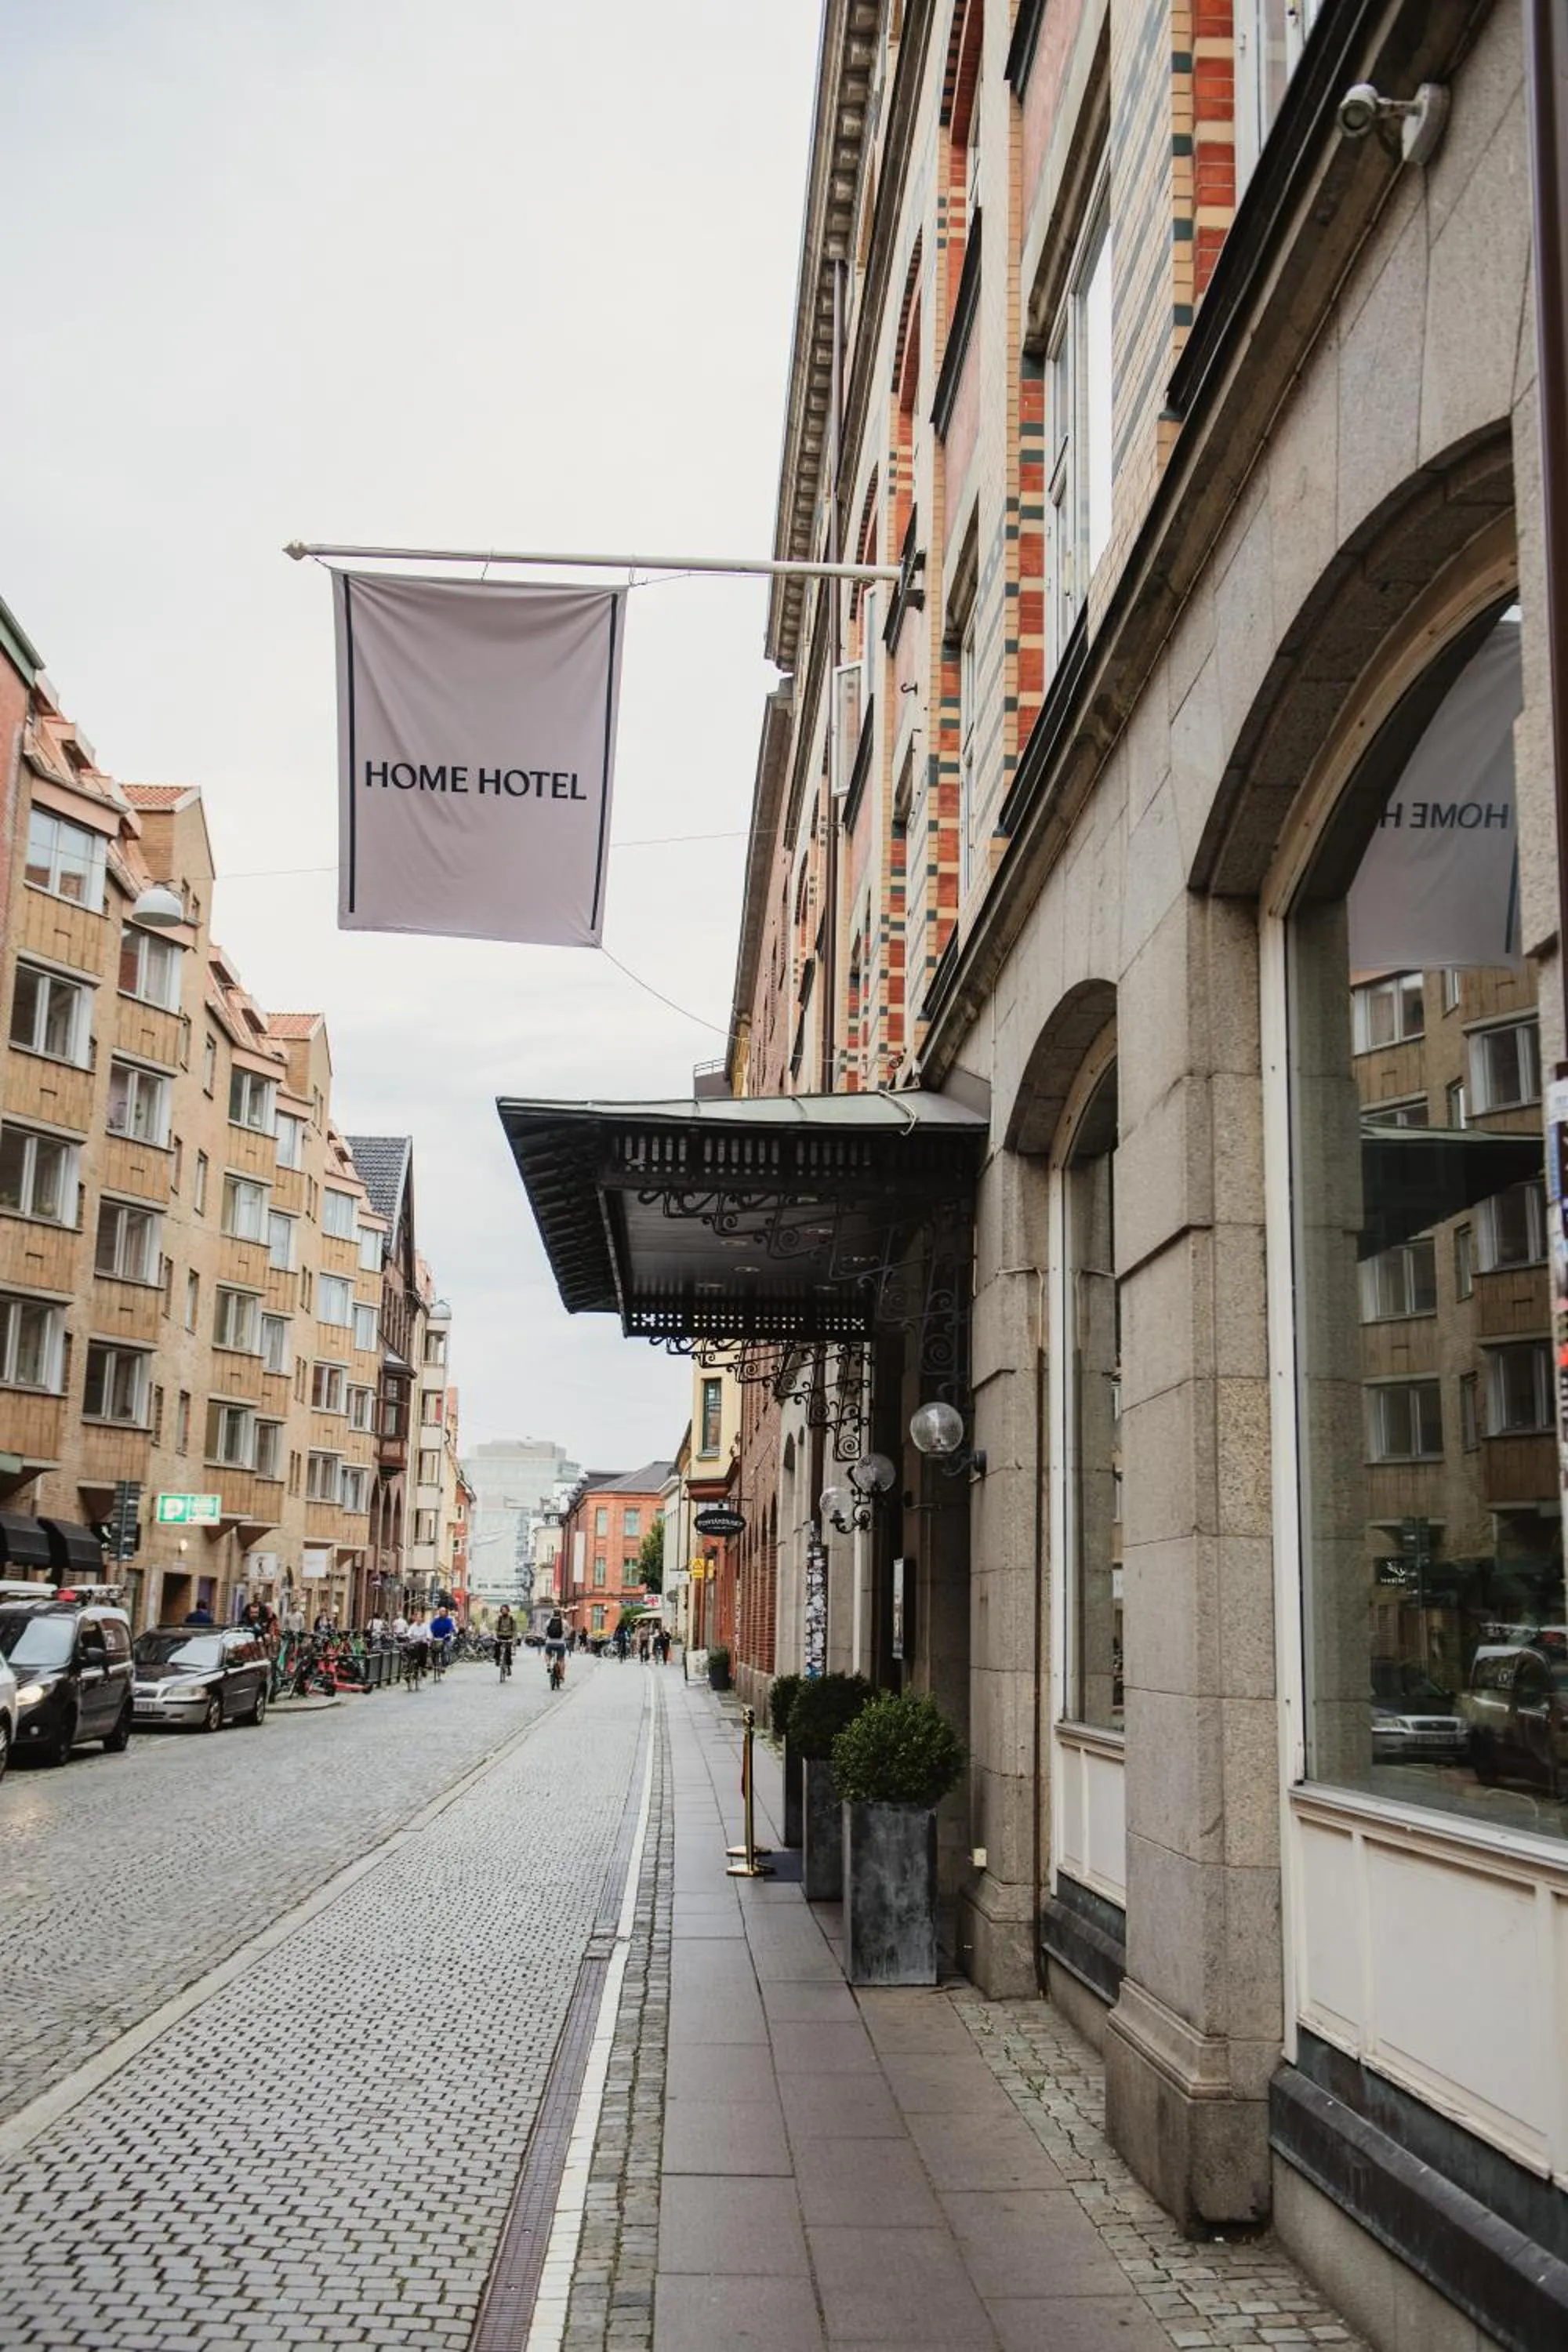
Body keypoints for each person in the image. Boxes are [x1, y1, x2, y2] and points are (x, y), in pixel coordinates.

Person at [429, 1599, 457, 1671]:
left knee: (444, 1651)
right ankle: (435, 1664)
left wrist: (449, 1634)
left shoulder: (448, 1621)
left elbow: (451, 1629)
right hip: (436, 1638)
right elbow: (431, 1628)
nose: (442, 1613)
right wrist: (431, 1635)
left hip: (445, 1639)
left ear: (445, 1613)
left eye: (443, 1611)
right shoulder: (436, 1620)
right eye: (441, 1611)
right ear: (439, 1612)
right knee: (433, 1651)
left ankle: (443, 1665)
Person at [543, 1610, 568, 1686]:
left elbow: (545, 1631)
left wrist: (546, 1637)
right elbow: (568, 1631)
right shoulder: (564, 1622)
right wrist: (566, 1637)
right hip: (560, 1643)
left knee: (547, 1654)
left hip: (550, 1643)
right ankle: (561, 1676)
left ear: (553, 1614)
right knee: (561, 1659)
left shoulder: (548, 1621)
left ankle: (548, 1664)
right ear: (560, 1614)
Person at [495, 1604, 517, 1680]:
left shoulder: (511, 1619)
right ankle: (497, 1660)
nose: (503, 1611)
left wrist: (513, 1639)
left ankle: (508, 1666)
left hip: (509, 1637)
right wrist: (496, 1637)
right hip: (500, 1636)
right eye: (502, 1610)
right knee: (497, 1645)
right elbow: (496, 1629)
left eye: (505, 1610)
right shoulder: (499, 1619)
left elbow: (514, 1630)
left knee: (508, 1651)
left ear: (508, 1610)